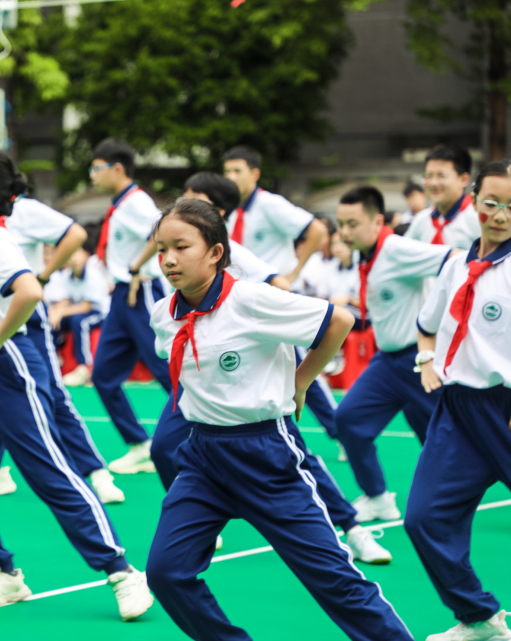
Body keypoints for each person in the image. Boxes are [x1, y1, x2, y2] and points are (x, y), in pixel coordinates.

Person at [144, 199, 413, 641]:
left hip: (265, 454)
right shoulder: (164, 314)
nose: (169, 259)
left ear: (215, 252)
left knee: (334, 580)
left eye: (181, 247)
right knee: (166, 573)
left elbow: (339, 320)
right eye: (161, 249)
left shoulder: (250, 299)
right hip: (202, 460)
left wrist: (300, 381)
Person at [0, 147, 153, 620]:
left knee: (48, 471)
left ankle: (122, 572)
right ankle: (2, 573)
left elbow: (30, 290)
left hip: (8, 365)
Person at [0, 187, 125, 505]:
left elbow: (75, 234)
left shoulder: (24, 210)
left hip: (22, 318)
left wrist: (43, 276)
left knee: (53, 394)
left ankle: (95, 471)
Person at [406, 159, 511, 641]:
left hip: (505, 408)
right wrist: (426, 360)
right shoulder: (455, 264)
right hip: (457, 409)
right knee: (424, 517)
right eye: (492, 202)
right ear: (473, 201)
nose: (501, 215)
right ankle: (478, 617)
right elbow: (427, 325)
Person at [335, 186, 452, 522]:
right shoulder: (365, 255)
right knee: (348, 420)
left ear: (377, 222)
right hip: (387, 363)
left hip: (420, 361)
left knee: (462, 440)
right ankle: (378, 498)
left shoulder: (397, 249)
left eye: (353, 224)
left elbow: (457, 259)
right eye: (341, 224)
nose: (344, 232)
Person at [86, 138, 172, 475]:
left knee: (167, 371)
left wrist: (136, 267)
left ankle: (206, 437)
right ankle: (140, 445)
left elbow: (163, 231)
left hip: (141, 291)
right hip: (122, 296)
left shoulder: (136, 202)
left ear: (117, 168)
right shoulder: (121, 205)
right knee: (103, 375)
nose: (92, 176)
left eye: (96, 168)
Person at [223, 145, 328, 282]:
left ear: (255, 175)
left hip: (275, 289)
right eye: (227, 171)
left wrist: (295, 273)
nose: (231, 177)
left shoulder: (269, 203)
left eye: (237, 171)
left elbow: (318, 229)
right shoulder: (231, 210)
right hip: (248, 289)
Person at [48, 233, 110, 387]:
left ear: (86, 256)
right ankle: (56, 357)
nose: (74, 258)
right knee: (54, 320)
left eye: (77, 253)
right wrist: (55, 312)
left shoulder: (93, 275)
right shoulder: (66, 275)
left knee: (81, 322)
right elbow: (65, 300)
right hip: (78, 310)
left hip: (100, 312)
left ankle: (85, 366)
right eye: (70, 254)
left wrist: (61, 312)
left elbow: (86, 306)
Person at [405, 145, 479, 249]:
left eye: (441, 176)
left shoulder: (477, 219)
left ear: (463, 180)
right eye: (429, 176)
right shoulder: (421, 220)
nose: (433, 183)